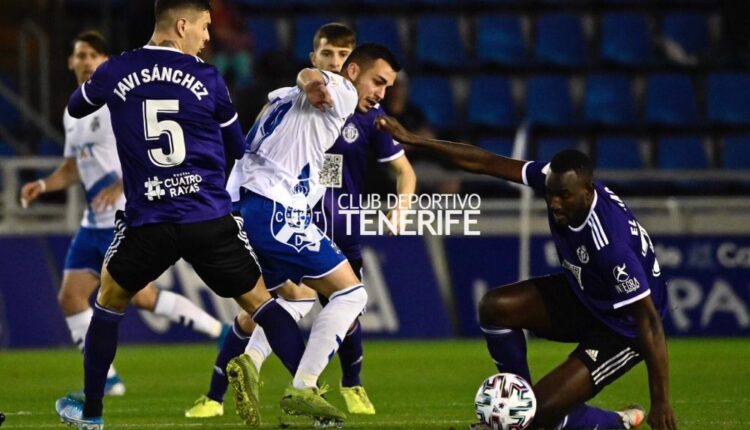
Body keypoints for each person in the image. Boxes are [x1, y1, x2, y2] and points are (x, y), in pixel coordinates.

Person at [53, 2, 309, 429]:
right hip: (207, 217)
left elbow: (77, 107)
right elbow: (237, 149)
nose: (208, 38)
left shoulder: (116, 70)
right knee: (261, 302)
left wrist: (112, 91)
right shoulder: (208, 77)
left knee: (109, 300)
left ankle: (93, 414)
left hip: (147, 220)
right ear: (183, 25)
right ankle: (309, 393)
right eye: (205, 28)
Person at [376, 116, 677, 430]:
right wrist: (415, 141)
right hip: (586, 296)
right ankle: (521, 410)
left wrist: (662, 401)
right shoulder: (553, 178)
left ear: (587, 193)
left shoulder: (610, 243)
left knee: (538, 416)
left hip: (622, 329)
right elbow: (484, 162)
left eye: (564, 196)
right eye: (551, 194)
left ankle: (616, 422)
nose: (554, 203)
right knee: (495, 308)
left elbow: (649, 321)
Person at [184, 23, 416, 420]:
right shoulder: (340, 92)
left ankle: (249, 364)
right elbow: (313, 76)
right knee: (352, 295)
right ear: (354, 71)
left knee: (295, 298)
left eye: (388, 88)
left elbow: (247, 150)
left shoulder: (278, 100)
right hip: (277, 212)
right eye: (378, 82)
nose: (380, 95)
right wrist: (315, 84)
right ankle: (304, 387)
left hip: (249, 211)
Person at [20, 30, 229, 398]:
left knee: (144, 297)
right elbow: (71, 169)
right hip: (91, 223)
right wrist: (43, 185)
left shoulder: (117, 101)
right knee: (70, 297)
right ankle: (110, 378)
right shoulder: (76, 113)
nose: (86, 62)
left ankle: (219, 331)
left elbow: (143, 149)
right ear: (71, 62)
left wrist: (119, 183)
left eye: (94, 56)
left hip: (122, 216)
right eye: (80, 55)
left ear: (104, 63)